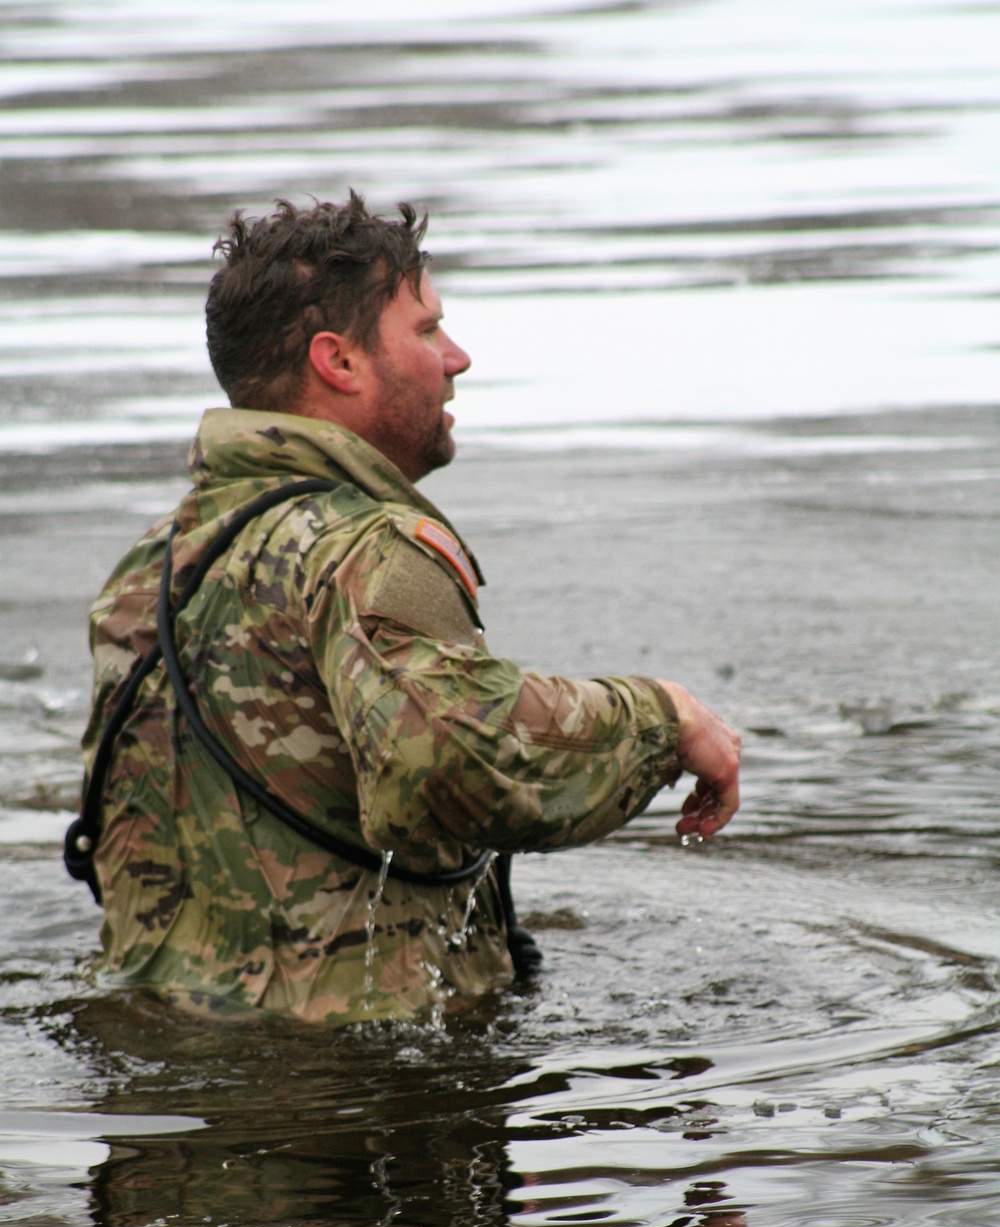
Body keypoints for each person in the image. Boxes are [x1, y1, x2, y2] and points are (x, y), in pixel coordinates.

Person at [73, 193, 740, 1024]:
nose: (457, 358)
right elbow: (449, 760)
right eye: (426, 330)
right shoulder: (368, 547)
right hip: (340, 1092)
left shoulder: (152, 566)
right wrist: (660, 718)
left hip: (153, 1063)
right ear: (338, 362)